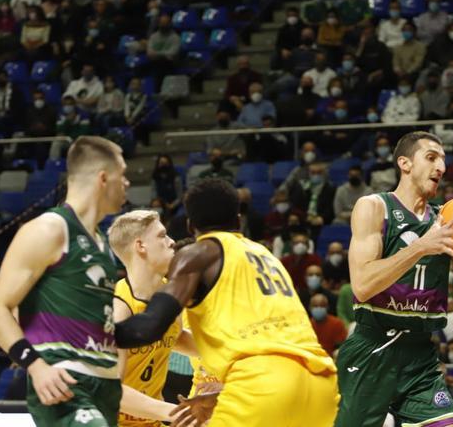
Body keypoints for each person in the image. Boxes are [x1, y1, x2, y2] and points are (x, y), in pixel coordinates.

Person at [114, 179, 340, 427]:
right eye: (162, 235)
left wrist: (86, 336)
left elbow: (150, 326)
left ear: (191, 226)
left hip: (264, 384)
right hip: (321, 381)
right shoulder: (267, 257)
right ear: (239, 219)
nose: (170, 242)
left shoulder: (200, 254)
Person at [336, 131, 453, 427]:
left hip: (420, 356)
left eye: (443, 161)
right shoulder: (374, 207)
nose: (441, 168)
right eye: (431, 158)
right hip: (372, 350)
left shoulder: (449, 220)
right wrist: (421, 246)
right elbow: (363, 285)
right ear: (404, 163)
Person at [0, 136, 129, 426]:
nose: (126, 183)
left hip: (106, 385)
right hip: (65, 384)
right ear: (102, 178)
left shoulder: (101, 243)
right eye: (122, 174)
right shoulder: (50, 229)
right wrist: (36, 366)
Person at [108, 210, 204, 426]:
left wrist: (228, 350)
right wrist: (180, 413)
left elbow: (176, 337)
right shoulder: (118, 308)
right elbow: (112, 391)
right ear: (141, 246)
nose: (172, 242)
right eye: (162, 236)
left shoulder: (168, 293)